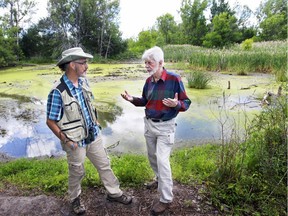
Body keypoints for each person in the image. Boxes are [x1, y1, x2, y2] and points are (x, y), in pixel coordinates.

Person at [46, 47, 132, 215]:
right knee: (76, 172)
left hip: (94, 135)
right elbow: (50, 121)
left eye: (86, 62)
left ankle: (114, 193)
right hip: (75, 141)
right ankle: (75, 199)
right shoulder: (58, 91)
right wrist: (67, 141)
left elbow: (89, 104)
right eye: (83, 62)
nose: (87, 66)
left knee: (104, 164)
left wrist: (96, 121)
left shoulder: (84, 82)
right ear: (72, 65)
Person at [121, 46, 191, 215]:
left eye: (149, 62)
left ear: (160, 63)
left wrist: (177, 104)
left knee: (162, 160)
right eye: (145, 62)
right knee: (152, 157)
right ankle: (159, 180)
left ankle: (166, 199)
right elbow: (146, 100)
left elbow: (186, 103)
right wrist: (132, 100)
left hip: (166, 126)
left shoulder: (174, 79)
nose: (147, 65)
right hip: (149, 125)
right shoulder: (149, 81)